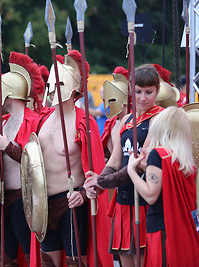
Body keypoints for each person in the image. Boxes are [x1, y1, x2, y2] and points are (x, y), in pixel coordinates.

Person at [36, 50, 112, 267]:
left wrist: (84, 195)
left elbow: (96, 170)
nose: (55, 90)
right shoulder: (42, 121)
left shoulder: (84, 123)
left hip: (71, 203)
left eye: (61, 84)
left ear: (73, 88)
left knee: (75, 263)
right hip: (44, 207)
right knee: (49, 263)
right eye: (54, 84)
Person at [84, 64, 164, 267]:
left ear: (157, 90)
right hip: (124, 202)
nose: (143, 97)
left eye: (149, 92)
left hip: (146, 200)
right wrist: (96, 183)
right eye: (138, 91)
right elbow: (115, 161)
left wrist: (101, 182)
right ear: (131, 90)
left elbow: (137, 165)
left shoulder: (160, 119)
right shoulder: (125, 121)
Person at [127, 106, 199, 266]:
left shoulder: (158, 154)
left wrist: (131, 170)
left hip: (163, 232)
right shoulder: (184, 158)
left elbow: (151, 195)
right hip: (184, 230)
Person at [0, 52, 44, 265]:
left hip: (24, 199)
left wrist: (8, 147)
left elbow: (35, 163)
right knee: (6, 255)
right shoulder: (2, 122)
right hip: (2, 198)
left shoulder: (35, 121)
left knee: (29, 252)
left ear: (9, 94)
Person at [101, 66, 129, 161]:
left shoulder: (136, 121)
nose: (108, 105)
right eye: (105, 100)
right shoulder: (110, 124)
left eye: (112, 100)